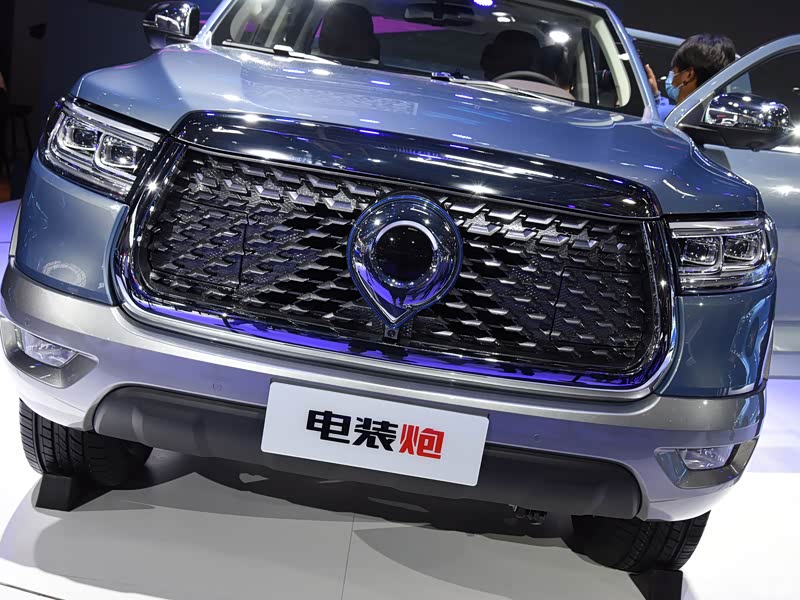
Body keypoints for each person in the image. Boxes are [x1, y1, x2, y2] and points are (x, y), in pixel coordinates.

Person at [645, 33, 737, 119]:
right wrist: (655, 95)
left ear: (688, 75)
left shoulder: (663, 118)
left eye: (674, 71)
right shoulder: (718, 119)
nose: (671, 78)